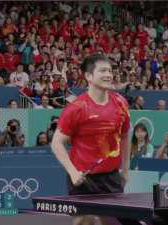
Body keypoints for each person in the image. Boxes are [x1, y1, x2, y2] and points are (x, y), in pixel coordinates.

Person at [51, 54, 139, 225]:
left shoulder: (121, 103)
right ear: (89, 76)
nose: (108, 74)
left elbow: (126, 134)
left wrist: (126, 169)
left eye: (110, 70)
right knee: (85, 222)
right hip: (83, 179)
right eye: (103, 70)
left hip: (111, 178)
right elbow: (56, 143)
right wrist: (72, 171)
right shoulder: (77, 108)